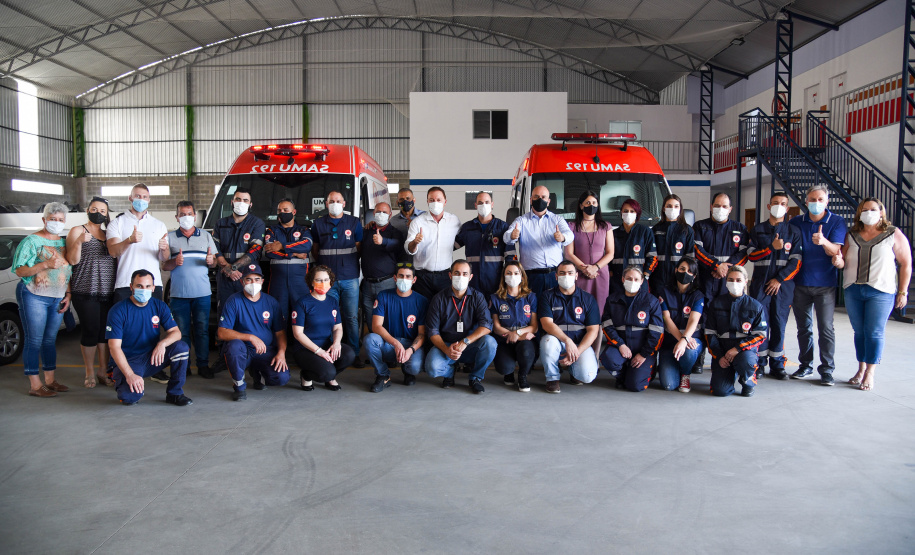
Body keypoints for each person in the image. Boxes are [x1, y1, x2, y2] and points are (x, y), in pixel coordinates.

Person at [832, 198, 912, 391]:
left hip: (881, 291)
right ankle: (860, 369)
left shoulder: (892, 233)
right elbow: (842, 260)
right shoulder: (852, 235)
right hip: (853, 289)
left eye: (873, 209)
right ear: (859, 213)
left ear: (881, 212)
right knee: (859, 332)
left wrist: (903, 291)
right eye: (865, 209)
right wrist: (837, 261)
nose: (869, 213)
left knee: (874, 332)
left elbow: (905, 263)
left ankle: (870, 372)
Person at [106, 270, 192, 406]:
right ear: (131, 287)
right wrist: (130, 375)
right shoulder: (118, 311)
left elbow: (176, 333)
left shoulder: (159, 306)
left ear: (153, 288)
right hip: (129, 361)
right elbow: (114, 347)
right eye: (139, 286)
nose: (143, 290)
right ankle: (124, 380)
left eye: (147, 286)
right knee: (130, 398)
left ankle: (175, 393)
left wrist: (162, 344)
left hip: (152, 357)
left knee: (181, 347)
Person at [788, 184, 846, 385]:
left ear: (827, 201)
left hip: (825, 285)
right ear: (806, 201)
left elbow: (836, 251)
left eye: (820, 199)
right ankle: (805, 365)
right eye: (812, 199)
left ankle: (827, 370)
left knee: (826, 328)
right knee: (803, 328)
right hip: (799, 283)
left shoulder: (836, 222)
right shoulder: (796, 222)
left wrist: (823, 242)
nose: (816, 203)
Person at [13, 202, 72, 397]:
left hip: (57, 297)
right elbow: (20, 270)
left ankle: (50, 380)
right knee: (34, 340)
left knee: (49, 340)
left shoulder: (63, 242)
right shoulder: (31, 241)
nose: (57, 222)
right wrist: (45, 264)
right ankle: (35, 385)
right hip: (34, 295)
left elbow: (67, 270)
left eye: (60, 219)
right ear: (44, 220)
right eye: (53, 219)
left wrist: (68, 294)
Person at [746, 192, 802, 380]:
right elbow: (751, 256)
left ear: (787, 208)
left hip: (783, 287)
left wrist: (779, 279)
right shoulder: (758, 230)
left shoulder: (794, 232)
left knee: (779, 324)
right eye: (775, 203)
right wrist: (771, 247)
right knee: (760, 324)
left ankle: (778, 365)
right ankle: (760, 363)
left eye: (783, 203)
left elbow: (796, 262)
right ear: (769, 206)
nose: (779, 206)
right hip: (760, 285)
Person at [424, 259, 497, 393]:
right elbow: (432, 331)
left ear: (470, 277)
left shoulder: (477, 297)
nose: (460, 277)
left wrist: (465, 342)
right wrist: (446, 349)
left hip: (470, 345)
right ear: (450, 275)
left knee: (490, 343)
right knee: (432, 368)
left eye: (464, 274)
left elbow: (486, 325)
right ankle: (449, 373)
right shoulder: (438, 298)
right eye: (457, 273)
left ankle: (475, 378)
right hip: (446, 345)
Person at [217, 265, 288, 401]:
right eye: (248, 279)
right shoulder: (233, 301)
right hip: (243, 350)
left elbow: (280, 333)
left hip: (265, 350)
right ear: (242, 282)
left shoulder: (271, 302)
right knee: (234, 347)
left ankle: (257, 372)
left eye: (257, 279)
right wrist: (250, 337)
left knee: (281, 378)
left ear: (262, 281)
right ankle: (239, 386)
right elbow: (222, 332)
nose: (253, 283)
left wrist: (281, 353)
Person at [163, 201, 217, 379]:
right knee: (181, 331)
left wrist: (211, 262)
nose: (186, 217)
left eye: (189, 214)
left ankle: (203, 364)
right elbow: (165, 266)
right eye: (182, 214)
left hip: (202, 294)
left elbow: (214, 261)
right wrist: (174, 262)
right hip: (179, 294)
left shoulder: (206, 236)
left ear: (195, 216)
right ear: (176, 217)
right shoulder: (169, 237)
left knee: (202, 331)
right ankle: (183, 365)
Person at [66, 196, 116, 388]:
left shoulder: (108, 234)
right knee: (90, 331)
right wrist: (79, 242)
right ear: (87, 210)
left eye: (102, 211)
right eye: (94, 209)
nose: (98, 213)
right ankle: (89, 372)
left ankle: (103, 371)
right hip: (85, 290)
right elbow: (72, 260)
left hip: (107, 291)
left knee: (104, 333)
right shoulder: (78, 230)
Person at [311, 190, 363, 362]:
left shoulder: (354, 222)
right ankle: (329, 352)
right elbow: (315, 250)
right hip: (327, 280)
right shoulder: (318, 224)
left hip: (350, 277)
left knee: (351, 317)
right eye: (331, 201)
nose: (335, 204)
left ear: (344, 204)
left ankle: (354, 353)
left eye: (338, 201)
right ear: (326, 204)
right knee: (329, 316)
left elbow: (359, 247)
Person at [538, 261, 601, 393]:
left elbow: (593, 331)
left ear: (576, 276)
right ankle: (552, 379)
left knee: (587, 376)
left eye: (570, 273)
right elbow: (546, 324)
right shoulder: (547, 296)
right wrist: (567, 341)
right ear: (556, 276)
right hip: (557, 341)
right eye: (562, 273)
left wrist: (577, 351)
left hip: (580, 344)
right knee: (547, 342)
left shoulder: (588, 299)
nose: (566, 276)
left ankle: (574, 370)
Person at [291, 265, 356, 392]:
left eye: (326, 280)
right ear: (311, 282)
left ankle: (331, 376)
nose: (323, 283)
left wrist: (336, 343)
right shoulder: (302, 303)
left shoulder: (332, 301)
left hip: (326, 344)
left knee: (349, 355)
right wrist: (319, 351)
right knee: (326, 373)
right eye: (319, 280)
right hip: (306, 349)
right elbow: (298, 334)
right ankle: (306, 375)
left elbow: (337, 328)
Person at [364, 263, 428, 392]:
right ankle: (383, 375)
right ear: (395, 278)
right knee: (370, 339)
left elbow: (422, 334)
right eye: (401, 276)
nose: (404, 279)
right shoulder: (383, 296)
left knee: (414, 367)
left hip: (410, 344)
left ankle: (407, 371)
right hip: (389, 343)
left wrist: (410, 350)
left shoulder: (421, 301)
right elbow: (376, 326)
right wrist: (396, 343)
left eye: (408, 276)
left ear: (414, 280)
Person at [599, 266, 664, 392]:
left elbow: (657, 331)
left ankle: (647, 370)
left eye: (636, 279)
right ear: (623, 279)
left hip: (643, 349)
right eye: (629, 278)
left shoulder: (651, 301)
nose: (632, 282)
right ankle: (622, 375)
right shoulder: (612, 300)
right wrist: (620, 344)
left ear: (641, 281)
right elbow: (607, 325)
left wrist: (644, 354)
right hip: (621, 346)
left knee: (635, 386)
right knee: (608, 358)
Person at [705, 266, 767, 397]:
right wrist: (719, 356)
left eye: (738, 280)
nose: (734, 283)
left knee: (746, 361)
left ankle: (748, 380)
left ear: (745, 281)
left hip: (744, 351)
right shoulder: (716, 304)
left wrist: (738, 349)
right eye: (731, 280)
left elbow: (760, 335)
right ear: (726, 281)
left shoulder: (755, 306)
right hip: (723, 350)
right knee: (720, 391)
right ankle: (730, 374)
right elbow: (709, 333)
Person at [504, 185, 574, 296]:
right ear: (531, 200)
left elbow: (570, 235)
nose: (540, 200)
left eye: (543, 197)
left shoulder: (557, 219)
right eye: (536, 197)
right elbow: (506, 237)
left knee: (555, 305)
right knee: (532, 306)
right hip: (531, 277)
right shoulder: (521, 221)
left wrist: (563, 237)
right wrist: (512, 236)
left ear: (548, 201)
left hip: (555, 275)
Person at [106, 183, 169, 303]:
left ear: (149, 200)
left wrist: (164, 249)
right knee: (124, 315)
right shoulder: (117, 223)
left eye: (145, 197)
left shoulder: (159, 225)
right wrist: (129, 240)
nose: (141, 200)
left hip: (152, 285)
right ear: (130, 198)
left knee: (152, 316)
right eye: (138, 196)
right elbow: (113, 252)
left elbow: (164, 258)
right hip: (125, 284)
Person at [213, 187, 265, 317]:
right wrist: (228, 269)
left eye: (245, 200)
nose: (241, 203)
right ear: (232, 202)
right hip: (225, 278)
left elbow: (255, 250)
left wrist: (233, 268)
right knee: (225, 314)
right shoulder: (220, 224)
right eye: (238, 199)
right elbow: (215, 249)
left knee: (248, 314)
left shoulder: (257, 224)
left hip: (247, 277)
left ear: (250, 204)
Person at [656, 257, 705, 393]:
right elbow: (666, 319)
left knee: (689, 351)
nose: (685, 273)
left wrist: (684, 340)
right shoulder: (664, 292)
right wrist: (680, 339)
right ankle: (674, 365)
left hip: (691, 340)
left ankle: (685, 373)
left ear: (694, 276)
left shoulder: (698, 295)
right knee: (669, 385)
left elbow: (694, 320)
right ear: (676, 270)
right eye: (682, 269)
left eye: (690, 271)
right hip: (670, 342)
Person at [489, 260, 539, 392]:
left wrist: (517, 334)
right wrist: (514, 335)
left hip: (524, 340)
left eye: (516, 273)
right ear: (503, 276)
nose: (512, 276)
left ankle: (522, 376)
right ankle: (509, 372)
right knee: (504, 367)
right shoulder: (495, 298)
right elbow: (496, 327)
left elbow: (534, 327)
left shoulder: (531, 297)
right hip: (503, 340)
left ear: (522, 276)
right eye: (509, 273)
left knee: (527, 351)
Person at [360, 202, 404, 347]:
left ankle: (390, 349)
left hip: (387, 283)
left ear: (390, 215)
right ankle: (375, 348)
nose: (381, 214)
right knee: (370, 319)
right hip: (367, 284)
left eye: (385, 212)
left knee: (388, 318)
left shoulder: (395, 232)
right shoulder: (366, 231)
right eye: (378, 211)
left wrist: (383, 241)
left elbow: (397, 244)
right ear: (373, 213)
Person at [406, 187, 462, 299]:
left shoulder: (453, 221)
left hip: (445, 276)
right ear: (427, 201)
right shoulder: (417, 222)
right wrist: (415, 242)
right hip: (422, 277)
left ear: (445, 202)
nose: (435, 203)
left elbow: (462, 238)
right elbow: (409, 249)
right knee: (423, 307)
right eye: (431, 200)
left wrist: (451, 248)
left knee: (444, 307)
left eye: (438, 200)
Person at [693, 192, 749, 300]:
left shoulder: (740, 229)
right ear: (711, 207)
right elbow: (697, 250)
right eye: (717, 206)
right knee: (705, 308)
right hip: (705, 278)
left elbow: (744, 254)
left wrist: (725, 269)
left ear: (730, 209)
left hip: (729, 279)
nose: (720, 209)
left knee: (728, 307)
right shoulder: (700, 226)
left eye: (724, 206)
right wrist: (716, 265)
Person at [564, 190, 613, 313]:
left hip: (600, 273)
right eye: (587, 203)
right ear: (581, 206)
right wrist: (585, 269)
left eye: (594, 203)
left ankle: (599, 327)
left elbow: (610, 253)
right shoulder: (572, 226)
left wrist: (595, 268)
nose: (591, 205)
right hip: (580, 273)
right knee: (580, 308)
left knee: (600, 308)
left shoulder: (606, 226)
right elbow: (568, 254)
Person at [264, 198, 313, 321]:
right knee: (278, 317)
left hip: (300, 281)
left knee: (302, 315)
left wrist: (282, 246)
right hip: (278, 282)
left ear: (294, 212)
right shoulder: (271, 231)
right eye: (279, 210)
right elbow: (270, 252)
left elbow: (306, 245)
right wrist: (293, 253)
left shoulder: (303, 230)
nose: (282, 213)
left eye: (285, 210)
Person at [455, 192, 511, 296]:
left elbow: (510, 256)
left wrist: (509, 280)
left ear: (492, 204)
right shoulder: (468, 228)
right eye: (480, 203)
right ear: (475, 205)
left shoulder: (502, 227)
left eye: (487, 202)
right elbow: (451, 246)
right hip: (473, 283)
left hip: (496, 283)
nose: (483, 205)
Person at [608, 198, 657, 296]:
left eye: (632, 211)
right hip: (617, 281)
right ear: (621, 213)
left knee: (640, 304)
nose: (628, 214)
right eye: (625, 211)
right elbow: (606, 255)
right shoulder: (613, 233)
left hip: (638, 280)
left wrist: (645, 275)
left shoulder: (645, 232)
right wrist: (609, 271)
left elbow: (653, 256)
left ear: (637, 213)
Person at [650, 194, 695, 295]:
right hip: (658, 278)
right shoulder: (656, 229)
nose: (672, 209)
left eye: (676, 206)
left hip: (677, 279)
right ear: (663, 208)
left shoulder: (687, 230)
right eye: (669, 206)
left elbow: (690, 258)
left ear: (680, 209)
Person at [390, 188, 424, 263]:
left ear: (414, 200)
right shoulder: (393, 221)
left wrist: (414, 226)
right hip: (402, 261)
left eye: (408, 198)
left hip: (421, 261)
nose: (405, 202)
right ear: (397, 202)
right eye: (401, 199)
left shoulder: (424, 216)